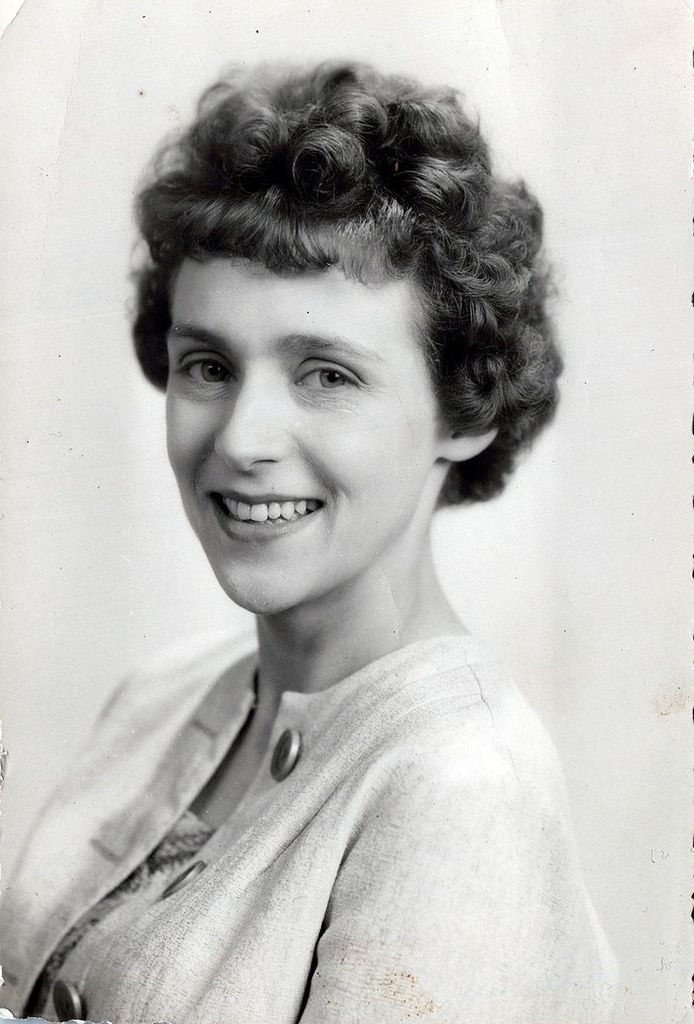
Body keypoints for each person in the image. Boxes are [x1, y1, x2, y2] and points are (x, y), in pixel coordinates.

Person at [0, 61, 617, 1023]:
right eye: (207, 366)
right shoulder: (163, 694)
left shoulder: (465, 792)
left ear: (467, 411)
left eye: (327, 374)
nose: (241, 441)